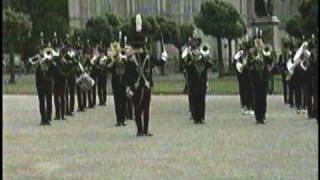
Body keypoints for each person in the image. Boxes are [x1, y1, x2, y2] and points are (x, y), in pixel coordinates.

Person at [124, 14, 167, 136]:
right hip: (146, 85)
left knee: (137, 108)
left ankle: (139, 130)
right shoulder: (147, 56)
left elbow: (127, 74)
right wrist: (164, 57)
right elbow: (160, 63)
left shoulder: (131, 58)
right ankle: (146, 129)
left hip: (136, 86)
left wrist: (127, 86)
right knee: (146, 109)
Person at [182, 34, 213, 124]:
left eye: (196, 42)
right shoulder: (188, 54)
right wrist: (191, 61)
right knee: (193, 98)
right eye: (193, 42)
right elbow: (184, 66)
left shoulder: (202, 54)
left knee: (202, 99)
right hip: (192, 80)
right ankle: (195, 117)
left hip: (202, 80)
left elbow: (210, 64)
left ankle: (201, 117)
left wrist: (204, 58)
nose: (195, 43)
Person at [248, 29, 273, 124]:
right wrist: (254, 59)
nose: (258, 41)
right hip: (255, 78)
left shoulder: (265, 50)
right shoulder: (251, 51)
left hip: (263, 77)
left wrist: (266, 55)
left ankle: (263, 115)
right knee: (256, 98)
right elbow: (248, 64)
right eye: (256, 39)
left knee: (263, 98)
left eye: (259, 39)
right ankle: (257, 116)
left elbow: (270, 61)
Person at [30, 33, 53, 125]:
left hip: (48, 81)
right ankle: (43, 118)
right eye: (44, 48)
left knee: (49, 100)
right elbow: (31, 62)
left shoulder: (51, 58)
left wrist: (49, 60)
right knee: (42, 101)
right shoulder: (38, 57)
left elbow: (53, 68)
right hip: (40, 82)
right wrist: (38, 59)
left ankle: (48, 117)